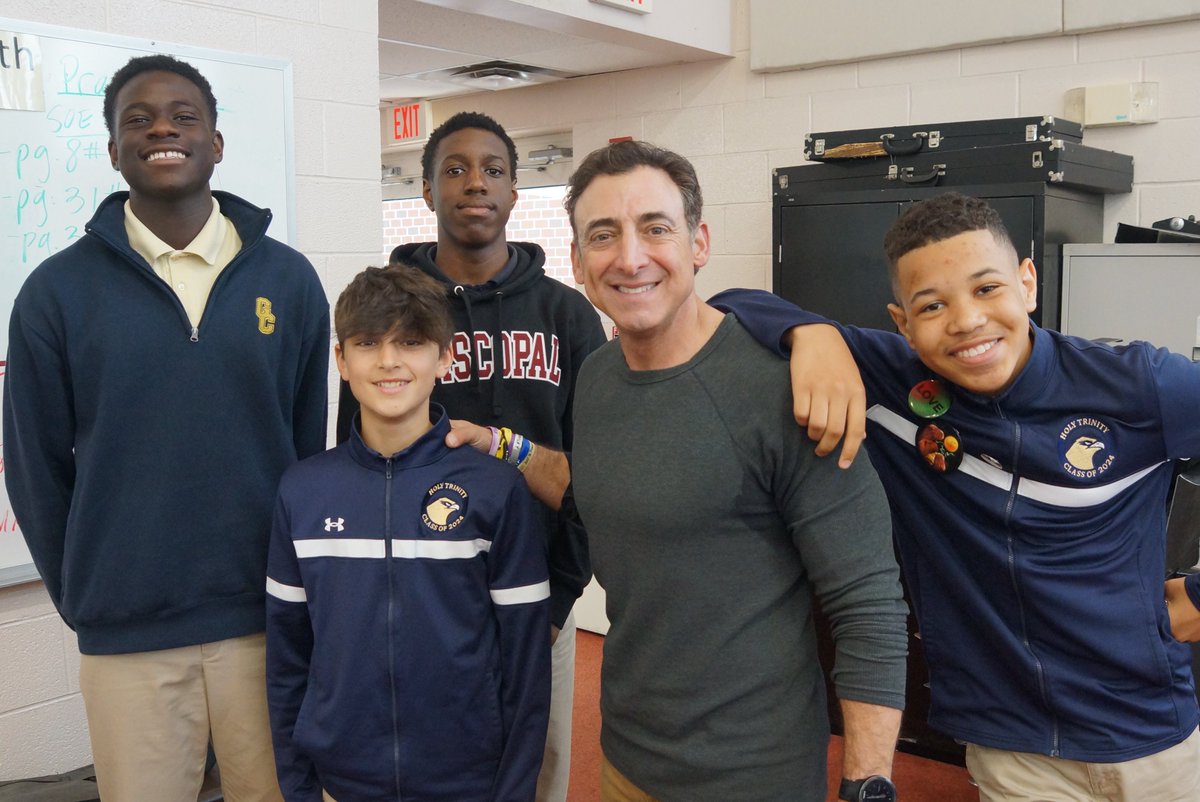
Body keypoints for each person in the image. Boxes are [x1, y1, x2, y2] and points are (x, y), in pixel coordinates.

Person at [714, 191, 1200, 801]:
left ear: (1028, 282)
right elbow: (730, 303)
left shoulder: (1139, 384)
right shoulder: (893, 382)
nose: (966, 320)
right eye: (933, 305)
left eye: (987, 288)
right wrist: (812, 334)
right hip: (1013, 746)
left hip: (1152, 736)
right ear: (903, 324)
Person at [2, 55, 329, 801]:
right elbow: (34, 466)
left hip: (268, 623)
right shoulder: (55, 293)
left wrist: (304, 591)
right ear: (114, 151)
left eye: (184, 116)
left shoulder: (287, 280)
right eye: (137, 120)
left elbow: (310, 450)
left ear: (216, 143)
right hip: (128, 634)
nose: (162, 130)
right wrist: (90, 594)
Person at [562, 140, 908, 802]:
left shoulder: (787, 392)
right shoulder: (596, 378)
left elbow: (868, 604)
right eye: (603, 236)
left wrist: (868, 784)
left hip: (755, 776)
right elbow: (615, 501)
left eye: (655, 229)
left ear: (699, 243)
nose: (630, 258)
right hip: (626, 757)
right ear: (578, 261)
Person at [335, 111, 606, 802]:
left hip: (542, 588)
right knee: (426, 765)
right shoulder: (390, 310)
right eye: (453, 169)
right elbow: (356, 455)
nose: (473, 183)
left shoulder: (566, 315)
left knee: (534, 767)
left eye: (492, 169)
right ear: (425, 192)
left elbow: (597, 470)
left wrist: (561, 595)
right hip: (420, 589)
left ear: (516, 191)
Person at [266, 266, 550, 801]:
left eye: (412, 342)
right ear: (342, 361)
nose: (389, 361)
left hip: (467, 780)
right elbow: (287, 663)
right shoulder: (303, 493)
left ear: (444, 357)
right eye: (368, 343)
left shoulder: (495, 490)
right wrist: (300, 790)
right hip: (343, 781)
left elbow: (526, 672)